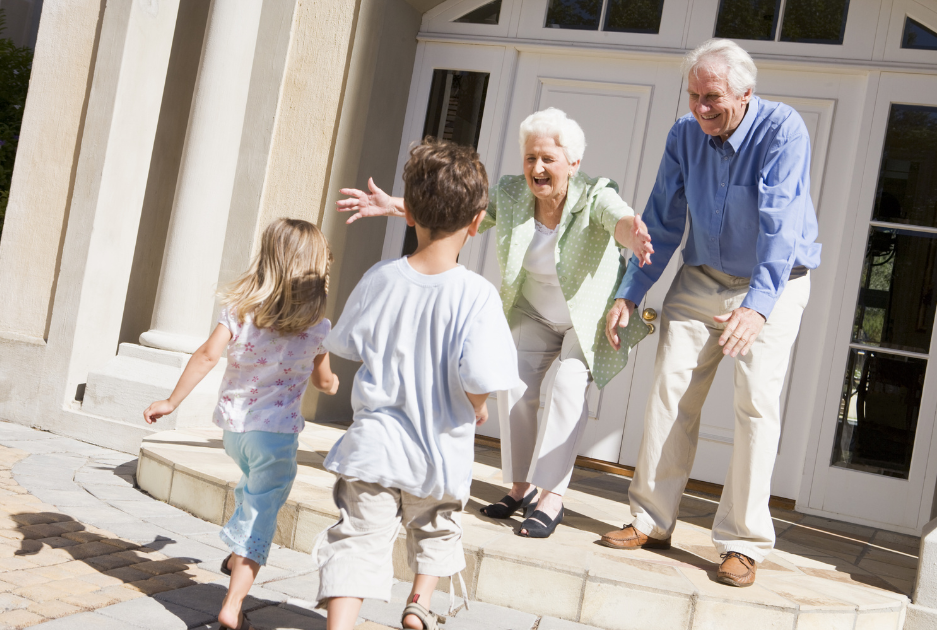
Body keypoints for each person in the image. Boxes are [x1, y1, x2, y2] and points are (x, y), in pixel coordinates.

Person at [337, 108, 653, 539]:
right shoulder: (511, 193)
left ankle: (551, 496)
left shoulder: (595, 195)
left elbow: (617, 219)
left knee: (566, 387)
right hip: (534, 311)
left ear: (573, 164)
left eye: (547, 159)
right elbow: (458, 211)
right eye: (529, 159)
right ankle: (520, 487)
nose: (536, 169)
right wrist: (396, 205)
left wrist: (631, 234)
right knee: (517, 387)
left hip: (585, 318)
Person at [601, 39, 821, 588]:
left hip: (775, 280)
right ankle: (651, 520)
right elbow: (663, 218)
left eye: (713, 97)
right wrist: (632, 291)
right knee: (670, 392)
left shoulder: (782, 129)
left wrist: (760, 306)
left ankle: (743, 542)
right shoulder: (684, 135)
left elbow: (780, 222)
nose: (700, 108)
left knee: (755, 405)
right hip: (701, 277)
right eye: (694, 95)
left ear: (746, 93)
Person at [315, 139, 522, 630]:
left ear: (408, 214)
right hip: (439, 450)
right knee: (436, 529)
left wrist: (323, 373)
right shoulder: (478, 295)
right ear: (477, 222)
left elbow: (346, 344)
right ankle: (418, 605)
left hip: (374, 447)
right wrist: (479, 404)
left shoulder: (380, 278)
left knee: (358, 539)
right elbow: (479, 375)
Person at [142, 218, 340, 630]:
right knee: (262, 515)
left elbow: (205, 356)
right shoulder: (318, 328)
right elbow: (325, 382)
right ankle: (233, 605)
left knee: (252, 493)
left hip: (234, 431)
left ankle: (234, 556)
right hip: (277, 437)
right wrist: (333, 381)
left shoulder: (239, 311)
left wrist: (171, 401)